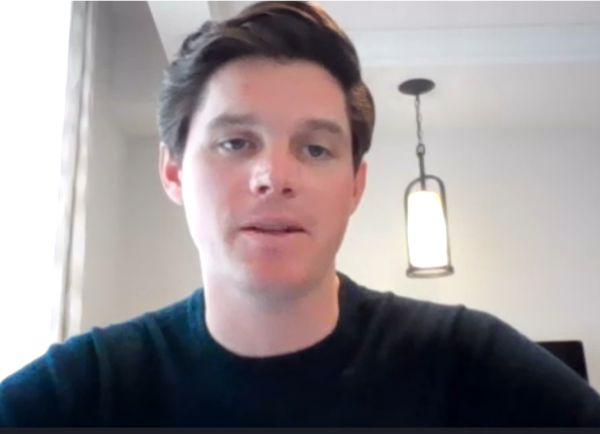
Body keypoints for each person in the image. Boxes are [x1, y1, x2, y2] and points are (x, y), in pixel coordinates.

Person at [1, 1, 599, 427]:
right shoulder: (86, 389)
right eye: (236, 142)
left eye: (315, 149)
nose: (275, 176)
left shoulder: (468, 362)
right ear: (174, 171)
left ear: (355, 186)